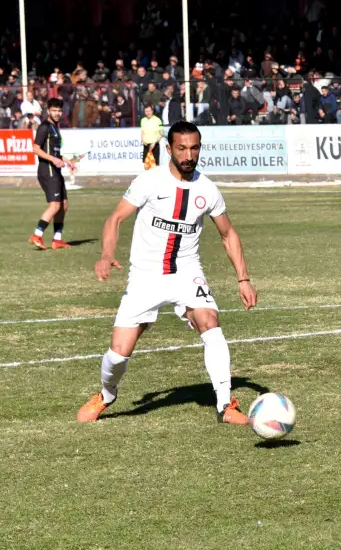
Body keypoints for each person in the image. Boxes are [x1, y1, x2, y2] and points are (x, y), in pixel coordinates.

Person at [78, 122, 258, 424]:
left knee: (210, 321)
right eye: (182, 148)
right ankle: (106, 395)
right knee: (119, 354)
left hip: (186, 272)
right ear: (169, 149)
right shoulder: (149, 181)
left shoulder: (207, 189)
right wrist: (107, 255)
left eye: (194, 148)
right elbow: (115, 219)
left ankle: (225, 405)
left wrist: (243, 278)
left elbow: (228, 235)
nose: (189, 155)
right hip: (145, 278)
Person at [30, 98, 72, 250]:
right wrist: (53, 160)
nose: (57, 113)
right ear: (48, 111)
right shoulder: (45, 127)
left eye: (59, 111)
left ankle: (57, 239)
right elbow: (36, 149)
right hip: (47, 170)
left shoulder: (55, 127)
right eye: (54, 110)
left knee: (64, 205)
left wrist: (67, 161)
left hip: (55, 170)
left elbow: (54, 152)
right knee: (54, 205)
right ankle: (37, 234)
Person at [140, 104, 163, 169]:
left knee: (154, 166)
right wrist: (142, 139)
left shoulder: (158, 120)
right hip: (146, 145)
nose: (148, 113)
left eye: (149, 111)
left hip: (154, 145)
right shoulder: (143, 120)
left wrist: (154, 142)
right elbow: (142, 132)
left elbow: (161, 133)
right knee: (146, 165)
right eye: (146, 111)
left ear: (152, 111)